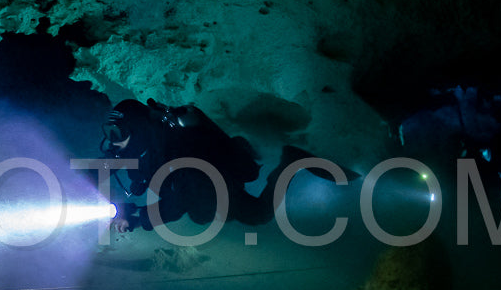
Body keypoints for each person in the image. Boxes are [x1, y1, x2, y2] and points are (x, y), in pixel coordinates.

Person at [100, 98, 330, 232]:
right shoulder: (143, 147)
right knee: (247, 214)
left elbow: (176, 204)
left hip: (215, 181)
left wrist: (139, 217)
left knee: (257, 214)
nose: (113, 140)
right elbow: (104, 168)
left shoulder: (175, 150)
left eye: (119, 132)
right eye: (110, 132)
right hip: (204, 186)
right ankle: (288, 163)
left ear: (138, 131)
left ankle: (289, 162)